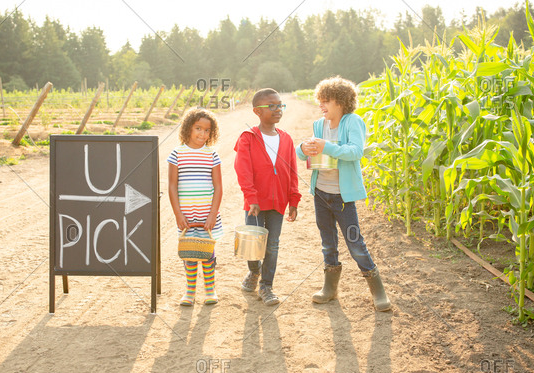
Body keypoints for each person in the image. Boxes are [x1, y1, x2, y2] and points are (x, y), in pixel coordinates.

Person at [296, 76, 391, 311]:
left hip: (342, 197)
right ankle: (330, 289)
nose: (321, 105)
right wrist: (303, 149)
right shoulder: (320, 125)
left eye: (325, 101)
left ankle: (377, 289)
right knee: (327, 242)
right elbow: (304, 155)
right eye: (320, 101)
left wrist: (326, 146)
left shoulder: (352, 122)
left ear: (340, 101)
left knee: (354, 242)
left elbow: (355, 152)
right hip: (321, 194)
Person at [234, 88, 301, 306]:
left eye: (280, 105)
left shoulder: (287, 139)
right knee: (252, 244)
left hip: (278, 203)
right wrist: (251, 197)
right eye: (271, 106)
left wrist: (293, 199)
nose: (277, 109)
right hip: (254, 203)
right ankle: (254, 272)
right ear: (257, 111)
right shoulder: (248, 138)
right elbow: (242, 170)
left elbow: (292, 171)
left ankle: (266, 285)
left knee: (272, 245)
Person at [168, 108, 223, 306]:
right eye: (198, 128)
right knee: (190, 253)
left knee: (207, 253)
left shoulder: (212, 155)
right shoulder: (177, 154)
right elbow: (172, 186)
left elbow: (218, 187)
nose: (202, 134)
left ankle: (210, 289)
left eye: (207, 130)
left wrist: (212, 215)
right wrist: (177, 214)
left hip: (207, 215)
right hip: (187, 217)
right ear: (188, 129)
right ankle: (189, 292)